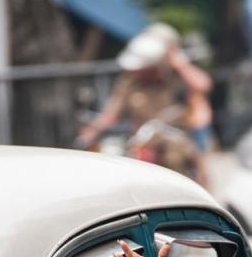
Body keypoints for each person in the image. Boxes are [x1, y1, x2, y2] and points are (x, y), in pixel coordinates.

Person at [78, 23, 214, 183]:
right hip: (142, 145)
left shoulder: (176, 77)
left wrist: (180, 63)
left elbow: (202, 86)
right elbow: (111, 113)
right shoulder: (129, 83)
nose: (137, 71)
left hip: (178, 142)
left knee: (178, 163)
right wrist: (91, 132)